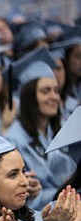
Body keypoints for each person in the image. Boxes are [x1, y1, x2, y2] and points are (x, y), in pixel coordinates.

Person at [6, 47, 76, 210]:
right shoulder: (14, 139)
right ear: (30, 96)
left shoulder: (60, 129)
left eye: (56, 91)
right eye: (45, 91)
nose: (54, 97)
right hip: (41, 215)